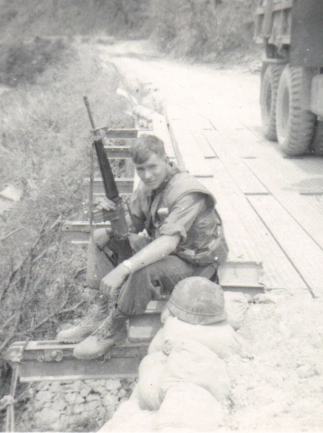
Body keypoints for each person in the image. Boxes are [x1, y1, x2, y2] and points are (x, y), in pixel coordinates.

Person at [57, 134, 228, 359]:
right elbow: (133, 226)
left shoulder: (187, 192)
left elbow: (168, 242)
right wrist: (115, 216)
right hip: (170, 251)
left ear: (165, 160)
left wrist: (124, 268)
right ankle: (99, 312)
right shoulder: (148, 186)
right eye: (140, 169)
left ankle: (114, 328)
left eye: (152, 167)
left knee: (143, 269)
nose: (147, 175)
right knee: (100, 238)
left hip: (196, 263)